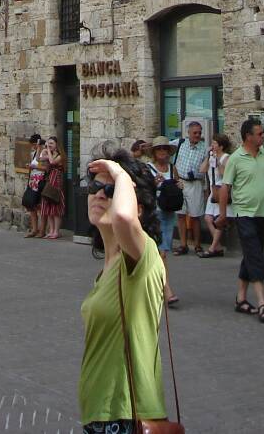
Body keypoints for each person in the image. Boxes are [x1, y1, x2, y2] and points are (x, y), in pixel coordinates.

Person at [79, 144, 167, 432]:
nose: (100, 194)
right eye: (95, 187)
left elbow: (124, 219)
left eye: (111, 190)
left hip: (125, 413)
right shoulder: (107, 269)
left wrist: (121, 174)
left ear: (137, 207)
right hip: (99, 412)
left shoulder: (143, 256)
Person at [216, 118, 264, 323]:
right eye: (259, 134)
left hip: (261, 213)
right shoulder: (235, 159)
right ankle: (262, 304)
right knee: (256, 255)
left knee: (252, 253)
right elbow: (225, 187)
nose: (262, 137)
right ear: (248, 136)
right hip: (243, 213)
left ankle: (241, 298)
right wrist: (223, 214)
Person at [147, 137, 180, 306]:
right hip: (154, 214)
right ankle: (167, 291)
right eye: (159, 149)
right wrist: (153, 184)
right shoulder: (148, 168)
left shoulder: (172, 168)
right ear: (154, 152)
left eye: (165, 149)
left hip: (169, 213)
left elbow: (178, 184)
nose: (162, 152)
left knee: (162, 252)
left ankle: (153, 285)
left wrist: (179, 186)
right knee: (162, 253)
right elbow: (142, 190)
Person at [172, 118, 207, 254]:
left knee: (195, 215)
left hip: (195, 183)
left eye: (199, 133)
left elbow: (206, 168)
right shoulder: (180, 143)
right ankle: (183, 244)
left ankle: (197, 244)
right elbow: (167, 152)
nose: (197, 135)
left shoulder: (204, 148)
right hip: (181, 182)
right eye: (195, 133)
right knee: (181, 214)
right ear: (189, 133)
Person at [198, 133, 232, 257]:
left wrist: (217, 162)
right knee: (208, 218)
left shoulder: (226, 158)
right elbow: (202, 170)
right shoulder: (211, 157)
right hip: (213, 190)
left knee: (219, 220)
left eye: (215, 143)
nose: (212, 145)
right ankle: (218, 246)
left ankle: (212, 248)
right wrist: (208, 158)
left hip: (221, 190)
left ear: (221, 146)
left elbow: (226, 174)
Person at [39, 136, 66, 240]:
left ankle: (56, 231)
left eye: (51, 143)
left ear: (56, 145)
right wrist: (41, 149)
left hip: (56, 181)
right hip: (50, 180)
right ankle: (51, 230)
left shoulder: (60, 156)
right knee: (48, 207)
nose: (49, 145)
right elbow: (39, 159)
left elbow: (52, 162)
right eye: (48, 143)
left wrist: (48, 151)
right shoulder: (50, 154)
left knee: (56, 207)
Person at [24, 134, 47, 238]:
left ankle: (42, 230)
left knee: (40, 206)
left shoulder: (44, 153)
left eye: (34, 144)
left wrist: (34, 167)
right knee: (31, 205)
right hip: (33, 181)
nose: (33, 146)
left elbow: (46, 168)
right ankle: (34, 229)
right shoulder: (34, 154)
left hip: (41, 181)